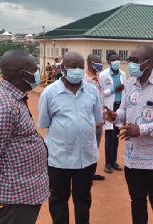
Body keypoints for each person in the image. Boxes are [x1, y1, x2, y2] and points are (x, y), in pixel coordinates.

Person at [103, 44, 153, 224]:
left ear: (149, 62)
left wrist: (142, 129)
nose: (131, 63)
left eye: (135, 60)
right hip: (132, 156)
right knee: (137, 201)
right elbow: (124, 110)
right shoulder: (130, 83)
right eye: (130, 60)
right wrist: (115, 116)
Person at [0, 49, 49, 224]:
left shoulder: (13, 98)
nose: (37, 73)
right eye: (34, 70)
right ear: (23, 74)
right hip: (14, 192)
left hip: (21, 189)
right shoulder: (4, 105)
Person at [37, 51, 102, 224]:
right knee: (58, 200)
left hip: (86, 157)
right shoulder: (49, 93)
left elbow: (96, 119)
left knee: (83, 199)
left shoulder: (91, 90)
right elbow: (45, 122)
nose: (77, 70)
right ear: (63, 68)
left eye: (80, 66)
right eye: (72, 66)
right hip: (59, 158)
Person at [99, 51, 127, 173]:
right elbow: (101, 92)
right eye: (114, 59)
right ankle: (108, 163)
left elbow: (125, 91)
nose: (117, 62)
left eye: (118, 59)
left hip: (119, 106)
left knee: (116, 136)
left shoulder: (123, 74)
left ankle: (114, 161)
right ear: (109, 62)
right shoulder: (104, 75)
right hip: (110, 107)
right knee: (109, 136)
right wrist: (114, 89)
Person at [84, 53, 105, 181]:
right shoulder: (85, 80)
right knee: (88, 148)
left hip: (100, 120)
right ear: (92, 63)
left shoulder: (97, 78)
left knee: (95, 149)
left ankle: (92, 173)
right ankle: (86, 175)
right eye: (99, 62)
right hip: (90, 121)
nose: (101, 64)